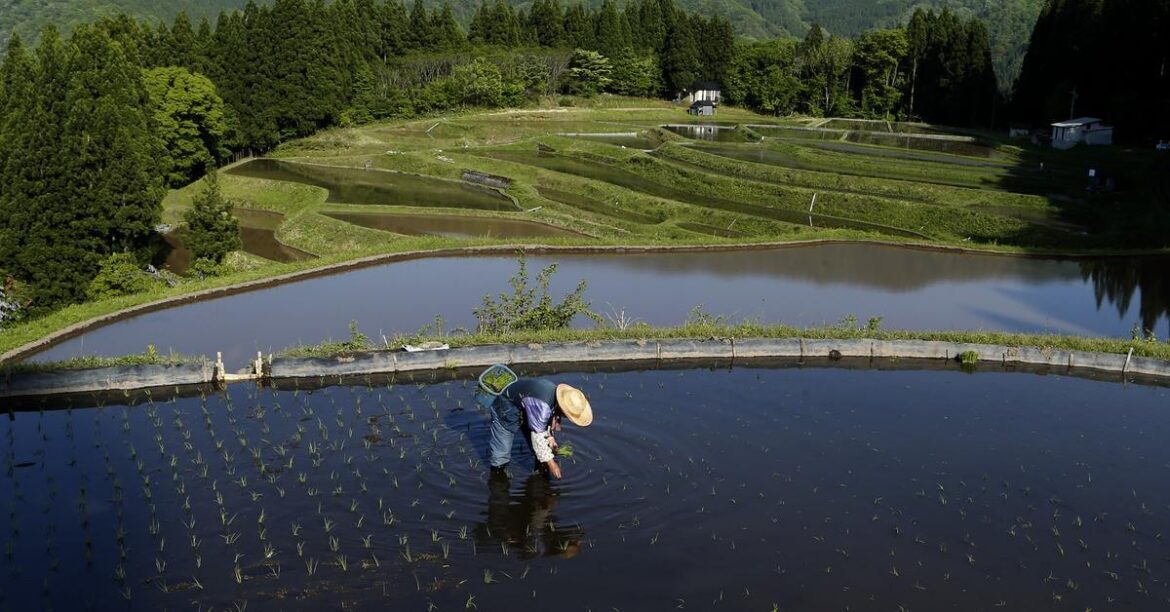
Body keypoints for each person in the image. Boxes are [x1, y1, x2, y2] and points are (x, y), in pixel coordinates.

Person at [485, 376, 592, 479]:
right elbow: (538, 436)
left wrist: (550, 438)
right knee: (503, 446)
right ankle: (497, 475)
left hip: (526, 404)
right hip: (506, 403)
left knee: (541, 445)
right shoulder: (543, 406)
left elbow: (546, 421)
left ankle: (539, 469)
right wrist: (551, 464)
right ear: (562, 406)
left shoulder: (554, 394)